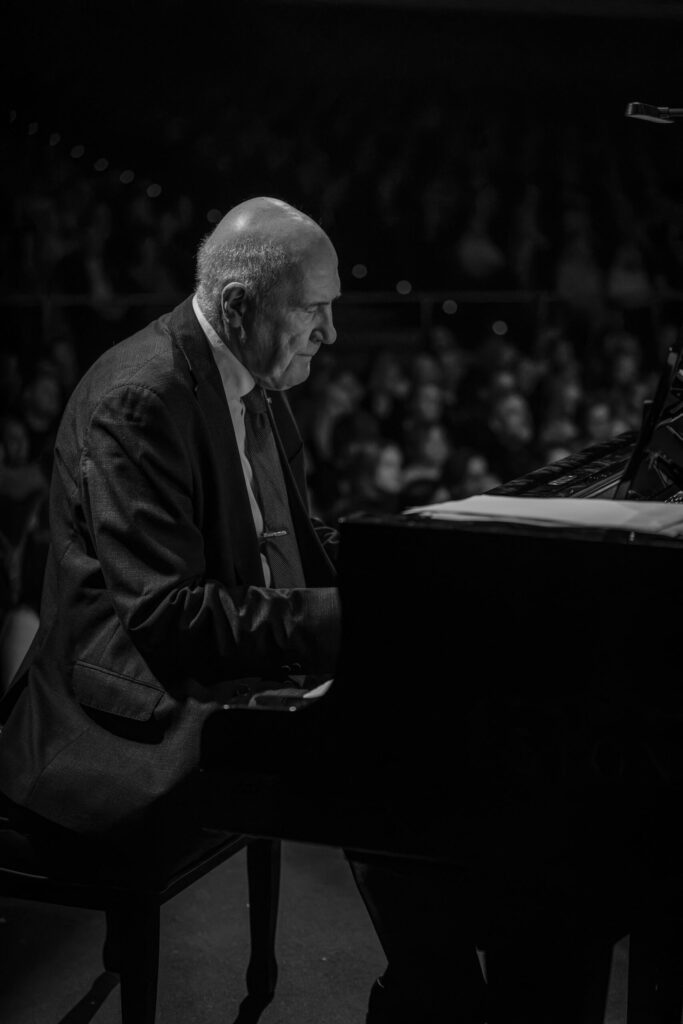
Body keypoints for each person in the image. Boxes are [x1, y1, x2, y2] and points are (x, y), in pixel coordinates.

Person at [0, 197, 486, 1023]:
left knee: (408, 716)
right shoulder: (140, 399)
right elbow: (171, 619)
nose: (329, 333)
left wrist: (406, 560)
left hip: (221, 650)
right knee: (376, 751)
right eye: (314, 310)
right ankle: (438, 996)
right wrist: (351, 622)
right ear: (236, 305)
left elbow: (290, 536)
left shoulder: (252, 371)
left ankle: (432, 988)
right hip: (132, 703)